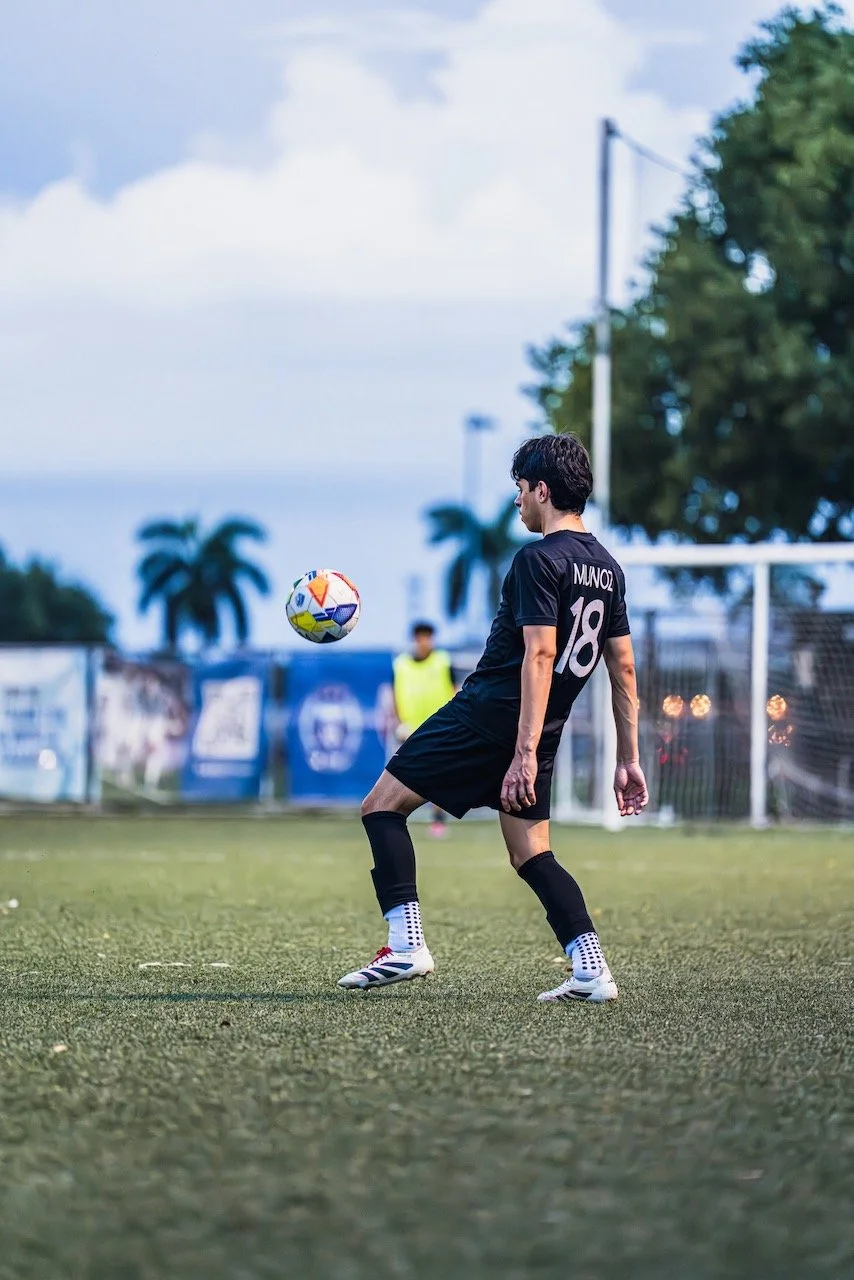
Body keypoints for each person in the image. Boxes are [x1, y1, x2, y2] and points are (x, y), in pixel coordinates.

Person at [339, 434, 648, 1003]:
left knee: (381, 807)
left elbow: (538, 653)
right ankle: (591, 970)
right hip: (542, 727)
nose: (518, 503)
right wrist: (628, 758)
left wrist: (522, 751)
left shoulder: (537, 559)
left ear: (543, 490)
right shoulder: (609, 568)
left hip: (489, 718)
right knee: (531, 852)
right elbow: (623, 668)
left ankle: (406, 946)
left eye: (521, 491)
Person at [392, 622, 457, 838]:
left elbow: (455, 691)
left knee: (439, 776)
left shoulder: (442, 662)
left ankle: (438, 819)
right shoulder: (401, 664)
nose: (424, 642)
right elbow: (394, 694)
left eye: (427, 637)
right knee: (404, 776)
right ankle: (397, 816)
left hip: (438, 728)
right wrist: (397, 721)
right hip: (409, 729)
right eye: (420, 637)